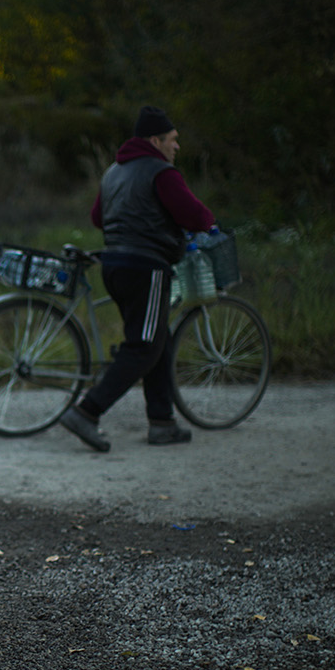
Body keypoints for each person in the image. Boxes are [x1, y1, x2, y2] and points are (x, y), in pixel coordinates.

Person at [60, 105, 216, 452]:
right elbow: (191, 212)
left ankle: (162, 423)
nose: (176, 147)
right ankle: (86, 412)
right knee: (143, 346)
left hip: (114, 265)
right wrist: (208, 223)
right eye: (172, 141)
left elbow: (98, 217)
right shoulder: (161, 173)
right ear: (155, 140)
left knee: (156, 336)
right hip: (146, 266)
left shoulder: (114, 172)